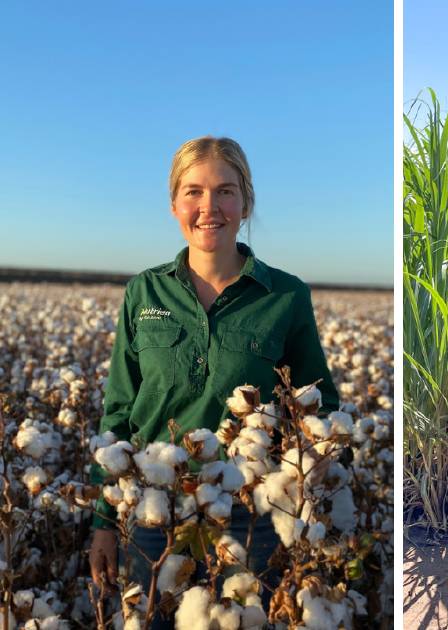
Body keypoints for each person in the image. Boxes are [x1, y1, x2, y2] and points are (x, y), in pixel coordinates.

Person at [88, 136, 340, 627]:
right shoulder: (144, 291)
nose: (209, 207)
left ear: (245, 202)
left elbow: (319, 402)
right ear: (174, 204)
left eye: (225, 191)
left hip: (253, 518)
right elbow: (119, 409)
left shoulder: (286, 295)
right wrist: (102, 519)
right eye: (193, 192)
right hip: (153, 509)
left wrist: (298, 486)